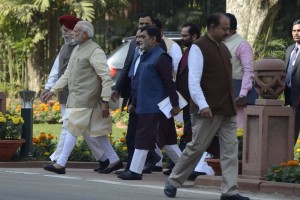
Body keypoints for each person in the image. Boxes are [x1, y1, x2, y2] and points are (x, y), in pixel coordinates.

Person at [164, 13, 250, 200]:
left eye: (228, 29)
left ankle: (230, 191)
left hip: (227, 109)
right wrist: (203, 105)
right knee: (196, 147)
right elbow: (193, 82)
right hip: (207, 110)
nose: (228, 32)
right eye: (224, 28)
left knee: (230, 150)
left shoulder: (224, 48)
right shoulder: (198, 48)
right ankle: (173, 181)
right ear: (212, 27)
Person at [42, 21, 122, 174]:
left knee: (72, 127)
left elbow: (106, 78)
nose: (73, 33)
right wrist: (53, 90)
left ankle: (61, 163)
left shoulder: (95, 51)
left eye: (76, 31)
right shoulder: (78, 49)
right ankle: (114, 160)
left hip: (87, 99)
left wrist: (105, 101)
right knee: (97, 132)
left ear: (85, 34)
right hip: (78, 98)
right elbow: (67, 74)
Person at [117, 25, 181, 180]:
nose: (138, 40)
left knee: (142, 138)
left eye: (142, 37)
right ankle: (187, 168)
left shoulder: (161, 57)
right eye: (138, 37)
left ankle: (135, 171)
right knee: (167, 140)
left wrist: (175, 104)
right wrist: (133, 103)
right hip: (144, 106)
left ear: (154, 39)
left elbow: (169, 83)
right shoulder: (142, 56)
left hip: (156, 108)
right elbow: (139, 83)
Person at [163, 22, 214, 180]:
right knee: (188, 134)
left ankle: (182, 168)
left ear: (195, 36)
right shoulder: (188, 51)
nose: (182, 38)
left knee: (192, 136)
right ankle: (179, 166)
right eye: (182, 35)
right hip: (186, 101)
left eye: (185, 36)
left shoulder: (198, 52)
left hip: (195, 101)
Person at [111, 13, 158, 174]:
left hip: (148, 98)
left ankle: (142, 163)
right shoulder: (133, 44)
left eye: (146, 24)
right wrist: (117, 88)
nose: (142, 26)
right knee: (134, 134)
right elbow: (127, 67)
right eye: (140, 23)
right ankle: (135, 166)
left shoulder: (157, 48)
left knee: (149, 135)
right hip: (133, 94)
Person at [224, 13, 257, 131]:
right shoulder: (219, 42)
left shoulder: (242, 45)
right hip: (223, 98)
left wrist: (243, 94)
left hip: (239, 98)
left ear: (229, 28)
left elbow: (248, 71)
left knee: (238, 134)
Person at [284, 19, 300, 143]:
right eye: (294, 31)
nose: (296, 33)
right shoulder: (289, 49)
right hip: (289, 98)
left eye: (299, 31)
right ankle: (288, 160)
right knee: (291, 132)